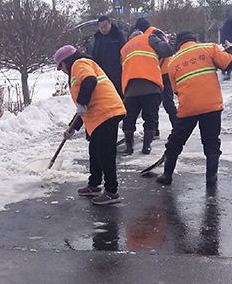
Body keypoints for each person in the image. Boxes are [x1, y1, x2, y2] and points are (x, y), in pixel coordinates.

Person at [156, 31, 232, 187]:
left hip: (188, 107)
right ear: (194, 39)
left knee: (176, 140)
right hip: (211, 105)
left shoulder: (173, 62)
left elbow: (175, 90)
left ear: (178, 45)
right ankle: (211, 178)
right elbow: (229, 63)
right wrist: (231, 49)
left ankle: (167, 175)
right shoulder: (209, 48)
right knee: (211, 141)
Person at [54, 44, 126, 205]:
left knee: (105, 153)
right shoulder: (79, 67)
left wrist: (81, 102)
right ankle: (94, 184)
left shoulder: (80, 63)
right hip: (99, 115)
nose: (62, 70)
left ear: (65, 61)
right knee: (94, 150)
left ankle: (111, 191)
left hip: (107, 111)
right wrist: (72, 128)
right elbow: (83, 108)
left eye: (61, 67)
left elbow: (89, 81)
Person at [119, 17, 174, 155]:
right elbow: (167, 50)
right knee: (150, 117)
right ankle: (146, 146)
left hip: (130, 88)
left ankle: (129, 147)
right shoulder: (149, 38)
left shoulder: (124, 48)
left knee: (129, 118)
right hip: (151, 84)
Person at [91, 16, 126, 96]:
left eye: (105, 26)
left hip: (117, 73)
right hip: (102, 74)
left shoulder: (118, 35)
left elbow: (124, 52)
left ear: (110, 24)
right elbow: (95, 55)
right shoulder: (97, 37)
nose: (103, 29)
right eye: (101, 27)